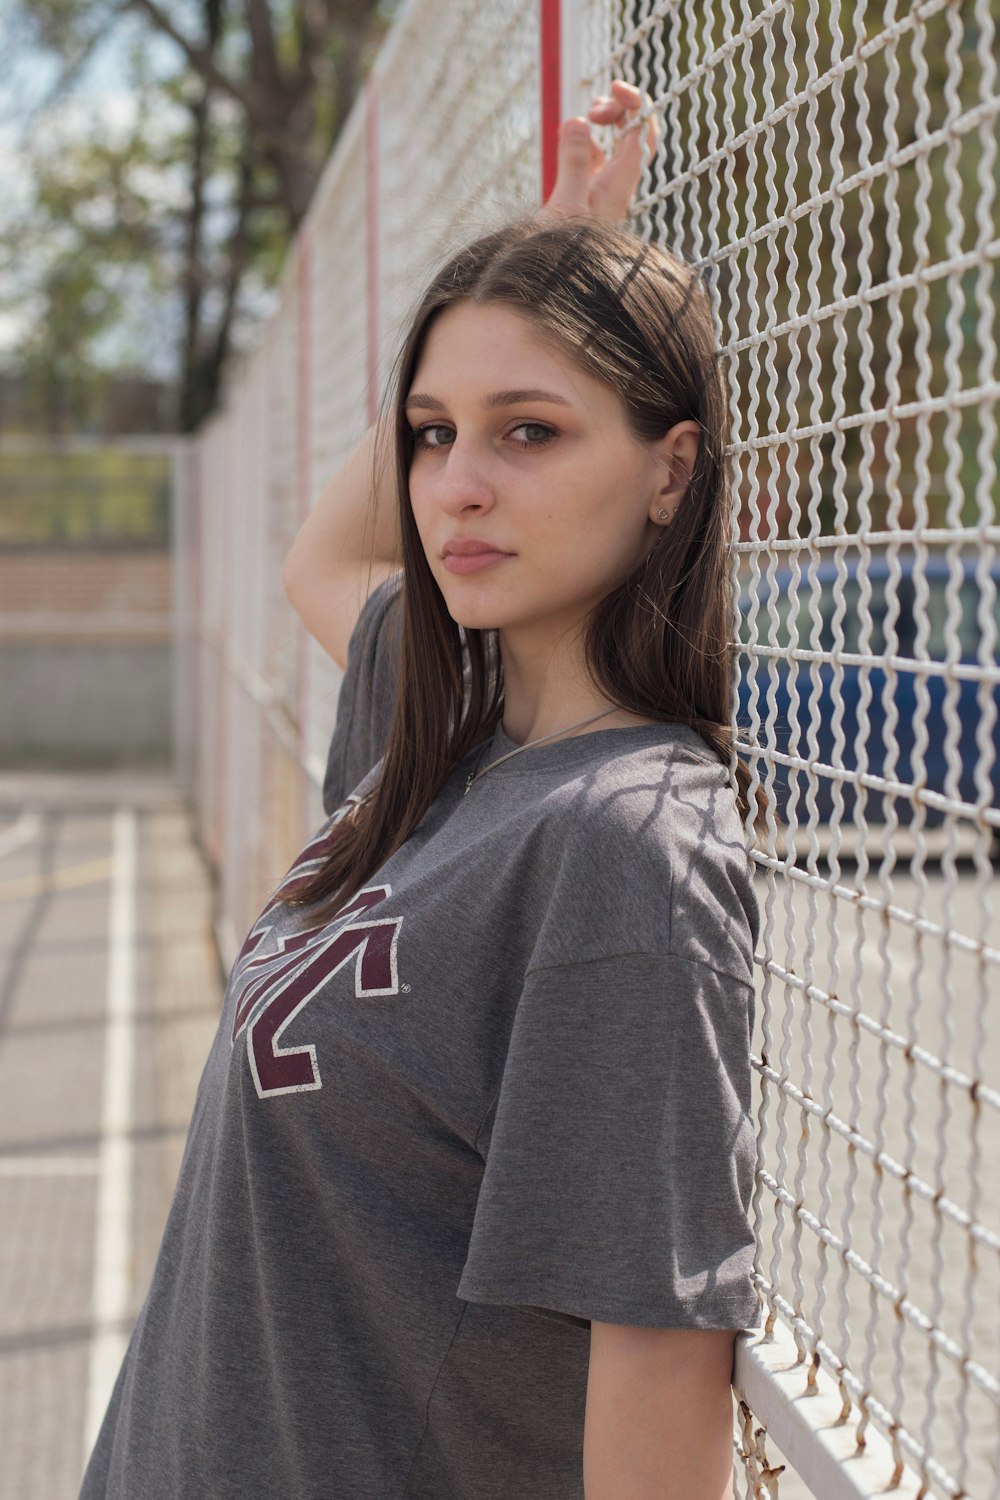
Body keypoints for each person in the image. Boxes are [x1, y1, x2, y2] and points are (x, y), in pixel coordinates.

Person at [80, 82, 767, 1500]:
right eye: (431, 434)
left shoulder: (624, 838)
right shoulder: (437, 726)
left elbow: (655, 1361)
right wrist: (557, 250)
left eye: (531, 432)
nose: (454, 487)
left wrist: (544, 304)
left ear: (668, 470)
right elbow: (318, 564)